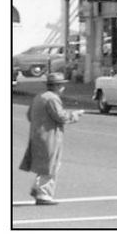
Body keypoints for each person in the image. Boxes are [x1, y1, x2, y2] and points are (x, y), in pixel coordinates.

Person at [20, 73, 84, 206]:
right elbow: (61, 117)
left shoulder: (39, 96)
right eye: (62, 85)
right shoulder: (52, 99)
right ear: (57, 86)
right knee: (51, 165)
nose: (63, 88)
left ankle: (38, 189)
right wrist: (75, 115)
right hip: (49, 136)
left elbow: (29, 115)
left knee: (44, 163)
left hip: (37, 135)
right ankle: (43, 194)